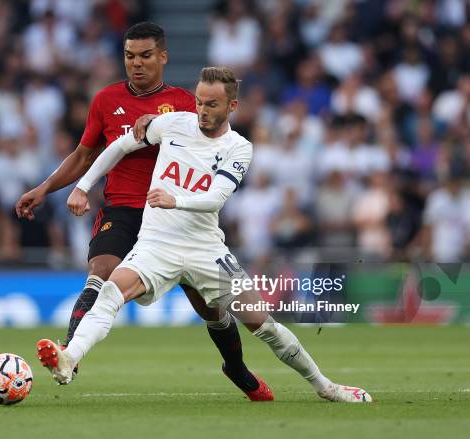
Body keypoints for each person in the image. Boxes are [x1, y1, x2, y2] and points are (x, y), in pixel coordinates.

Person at [51, 67, 371, 403]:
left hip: (206, 250)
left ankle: (325, 386)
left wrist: (176, 200)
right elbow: (119, 146)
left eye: (212, 105)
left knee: (263, 325)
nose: (203, 111)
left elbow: (216, 198)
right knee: (111, 292)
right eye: (200, 102)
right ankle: (68, 358)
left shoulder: (239, 147)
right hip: (156, 244)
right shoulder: (174, 123)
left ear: (232, 106)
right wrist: (83, 186)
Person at [16, 23, 271, 401]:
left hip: (174, 218)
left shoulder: (188, 103)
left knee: (210, 307)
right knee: (100, 273)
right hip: (121, 208)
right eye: (129, 56)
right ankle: (68, 355)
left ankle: (235, 367)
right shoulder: (105, 100)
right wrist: (45, 187)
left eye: (145, 56)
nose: (136, 64)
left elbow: (216, 151)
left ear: (163, 57)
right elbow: (84, 155)